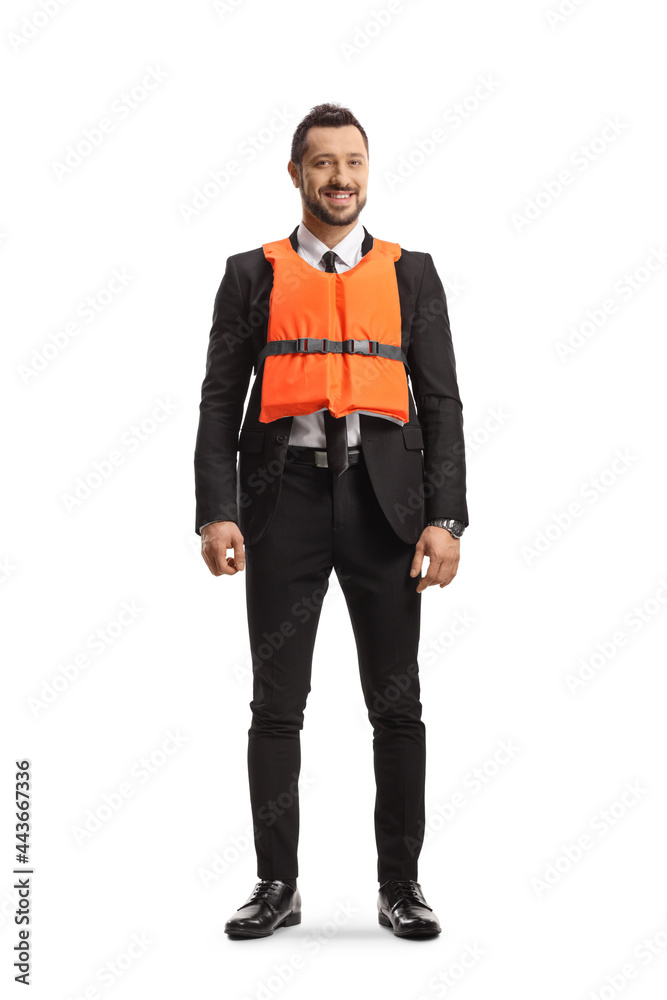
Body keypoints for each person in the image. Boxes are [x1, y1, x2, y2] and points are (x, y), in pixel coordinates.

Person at [194, 103, 468, 939]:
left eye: (352, 161)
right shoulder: (253, 274)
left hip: (387, 511)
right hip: (285, 505)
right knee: (276, 707)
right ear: (295, 174)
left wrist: (446, 517)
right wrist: (217, 509)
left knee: (397, 706)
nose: (339, 177)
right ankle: (276, 885)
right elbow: (218, 399)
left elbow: (442, 402)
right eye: (321, 163)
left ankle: (401, 887)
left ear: (367, 171)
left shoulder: (410, 273)